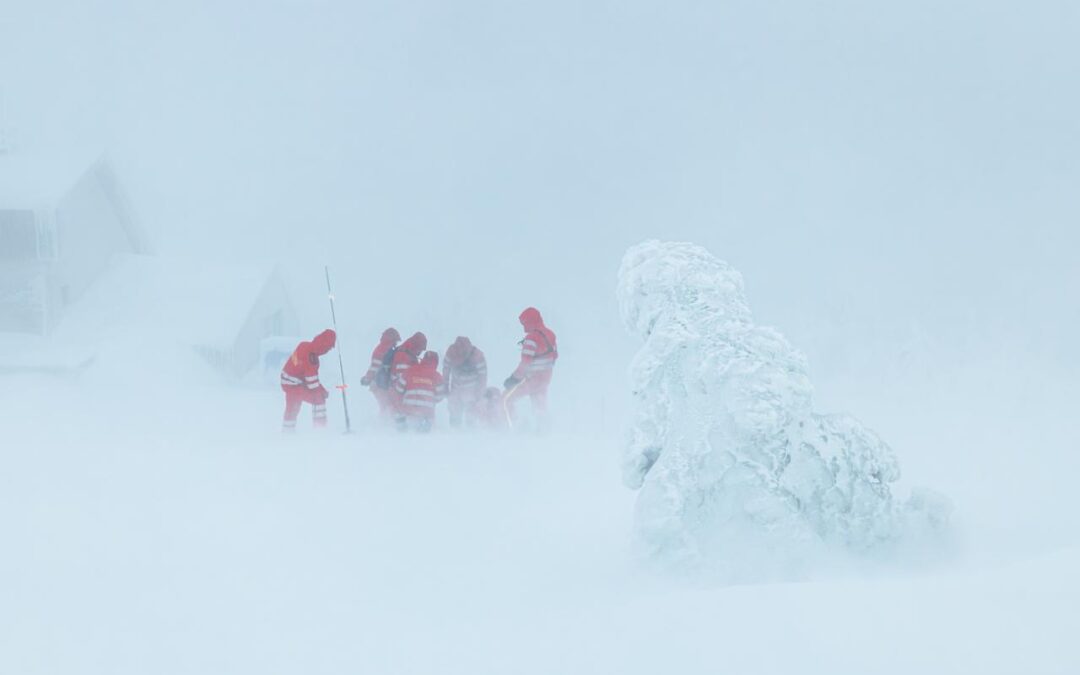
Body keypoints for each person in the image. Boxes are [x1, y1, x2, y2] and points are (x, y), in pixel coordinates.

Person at [503, 307, 557, 429]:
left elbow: (525, 363)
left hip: (533, 378)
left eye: (524, 323)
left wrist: (513, 379)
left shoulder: (531, 338)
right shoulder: (551, 334)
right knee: (539, 405)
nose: (523, 327)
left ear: (531, 321)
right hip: (546, 377)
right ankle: (543, 431)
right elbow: (555, 356)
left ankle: (514, 427)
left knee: (507, 400)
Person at [280, 329, 336, 432]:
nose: (327, 351)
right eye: (327, 348)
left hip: (287, 380)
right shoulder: (312, 358)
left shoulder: (304, 345)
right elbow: (312, 384)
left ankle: (287, 432)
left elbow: (297, 365)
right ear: (323, 346)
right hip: (294, 384)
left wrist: (321, 389)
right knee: (318, 399)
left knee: (292, 407)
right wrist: (322, 392)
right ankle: (320, 429)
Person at [394, 351, 446, 432]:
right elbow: (440, 396)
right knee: (424, 439)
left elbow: (398, 388)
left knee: (400, 418)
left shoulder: (410, 371)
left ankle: (401, 429)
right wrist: (431, 398)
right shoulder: (437, 376)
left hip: (408, 409)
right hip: (426, 413)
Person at [442, 336, 488, 428]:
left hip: (472, 388)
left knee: (471, 409)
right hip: (456, 387)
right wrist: (445, 387)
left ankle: (470, 430)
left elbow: (483, 376)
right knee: (454, 408)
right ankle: (455, 429)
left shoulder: (477, 356)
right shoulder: (450, 352)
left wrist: (479, 393)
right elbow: (446, 370)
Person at [359, 327, 401, 418]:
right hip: (380, 384)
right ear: (391, 339)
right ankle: (382, 426)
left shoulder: (383, 348)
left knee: (386, 406)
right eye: (395, 341)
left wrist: (367, 379)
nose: (396, 344)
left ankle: (384, 424)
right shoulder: (383, 349)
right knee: (386, 406)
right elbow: (375, 367)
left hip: (381, 383)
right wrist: (367, 378)